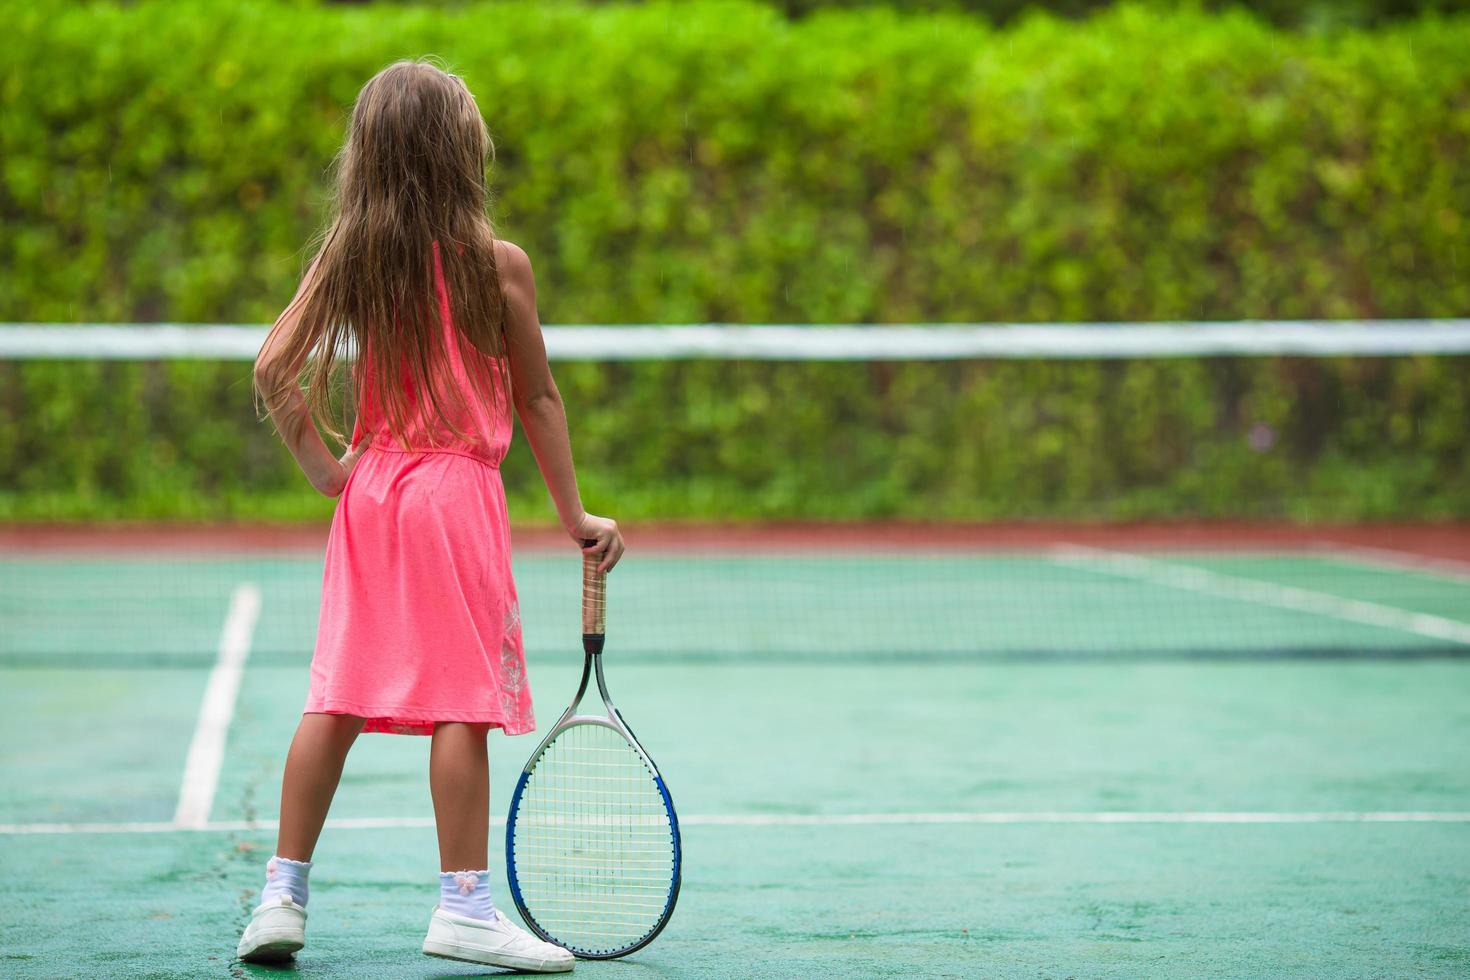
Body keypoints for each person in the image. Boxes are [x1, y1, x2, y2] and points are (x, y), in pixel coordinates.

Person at [238, 59, 622, 973]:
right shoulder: (500, 266)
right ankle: (464, 909)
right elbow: (538, 398)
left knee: (335, 695)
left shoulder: (351, 256)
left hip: (372, 497)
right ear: (462, 152)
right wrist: (575, 518)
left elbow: (271, 371)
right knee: (461, 706)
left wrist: (334, 476)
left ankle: (280, 899)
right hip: (454, 501)